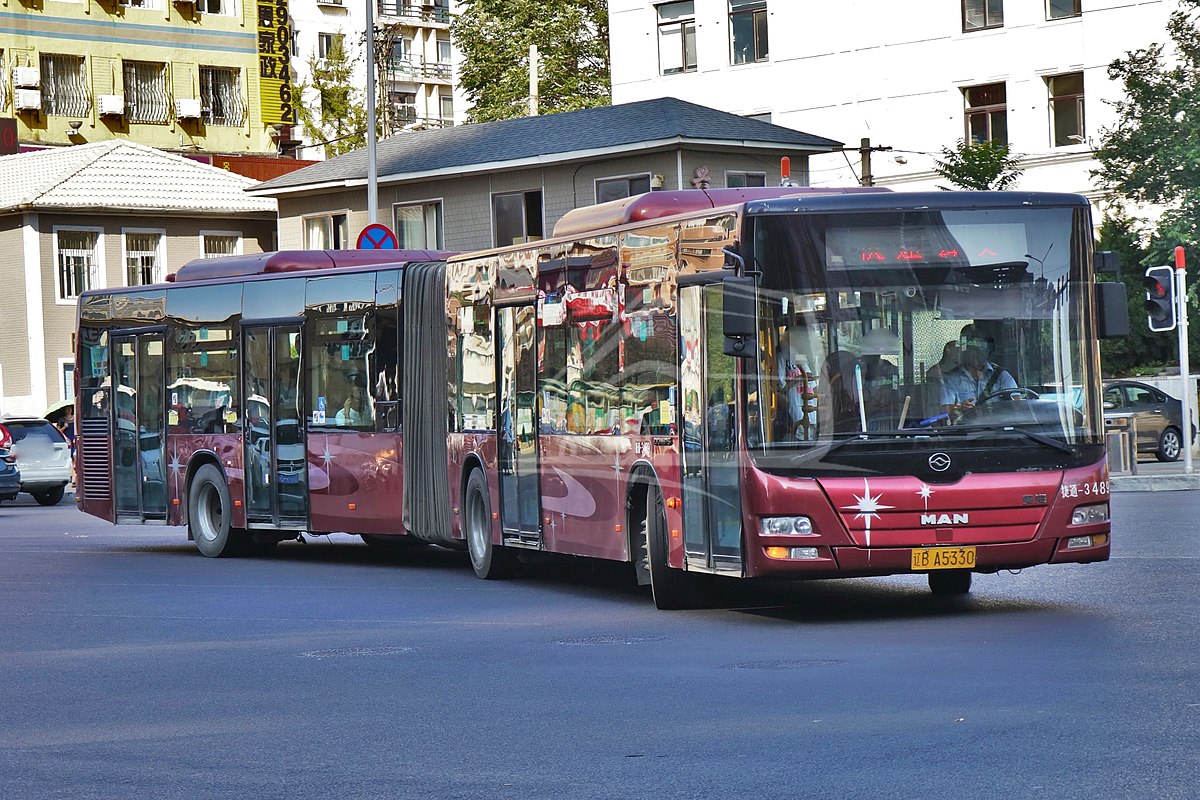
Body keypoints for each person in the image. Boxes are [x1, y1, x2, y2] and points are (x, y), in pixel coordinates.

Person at [940, 325, 1017, 421]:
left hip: (999, 430)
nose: (976, 352)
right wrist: (959, 408)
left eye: (981, 347)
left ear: (989, 350)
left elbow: (1017, 405)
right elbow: (944, 411)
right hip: (965, 432)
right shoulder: (951, 378)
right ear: (964, 349)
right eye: (971, 347)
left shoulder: (1001, 376)